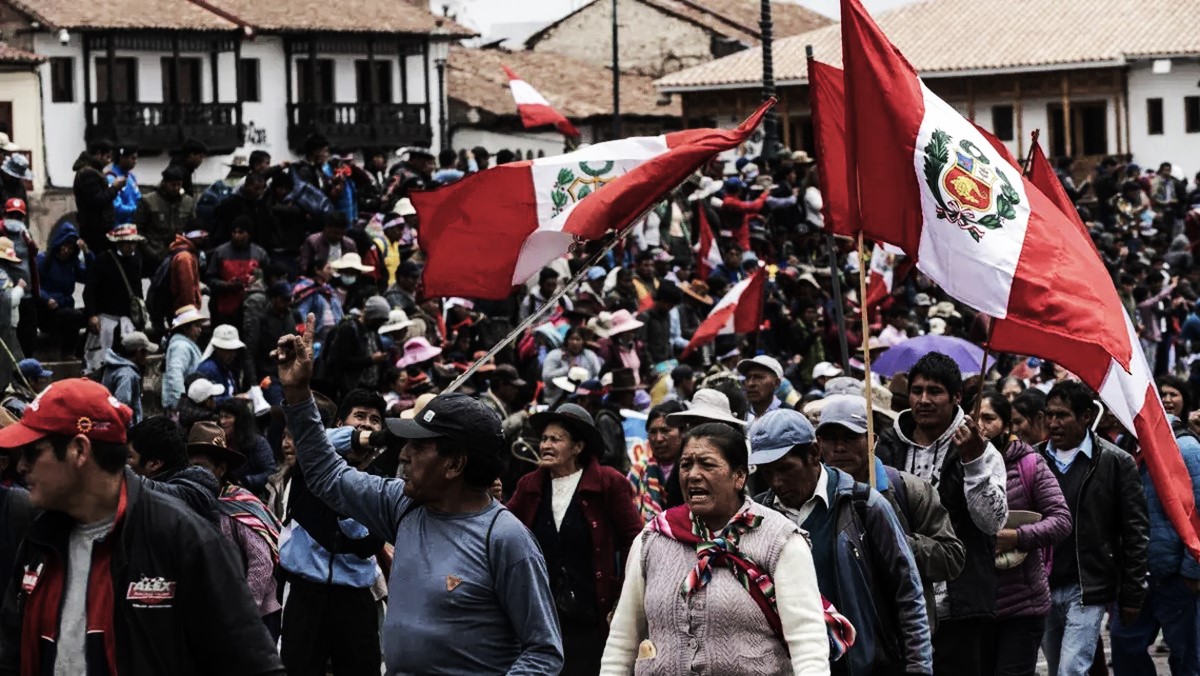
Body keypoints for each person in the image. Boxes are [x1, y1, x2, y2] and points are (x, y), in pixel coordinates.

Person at [276, 316, 565, 674]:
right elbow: (326, 474)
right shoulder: (403, 506)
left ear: (454, 463)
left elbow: (542, 652)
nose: (403, 454)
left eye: (418, 446)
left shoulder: (506, 541)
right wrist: (299, 394)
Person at [0, 378, 284, 674]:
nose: (21, 466)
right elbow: (10, 654)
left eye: (33, 452)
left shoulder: (182, 538)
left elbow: (255, 663)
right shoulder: (40, 538)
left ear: (80, 452)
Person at [601, 422, 831, 674]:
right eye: (686, 465)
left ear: (739, 476)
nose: (693, 475)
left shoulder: (779, 539)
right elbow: (622, 641)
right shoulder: (654, 538)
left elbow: (807, 640)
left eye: (707, 464)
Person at [750, 408, 932, 675]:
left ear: (813, 453)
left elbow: (907, 592)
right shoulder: (760, 518)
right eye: (767, 473)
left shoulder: (864, 506)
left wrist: (919, 667)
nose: (776, 481)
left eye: (785, 469)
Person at [874, 352, 1009, 676]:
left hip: (959, 608)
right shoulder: (885, 447)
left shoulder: (981, 449)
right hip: (899, 605)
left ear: (956, 396)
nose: (923, 400)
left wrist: (973, 463)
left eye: (934, 391)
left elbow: (992, 522)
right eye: (917, 390)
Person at [507, 404, 643, 675]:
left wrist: (621, 597)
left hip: (592, 618)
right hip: (541, 618)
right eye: (544, 438)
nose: (545, 445)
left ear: (578, 447)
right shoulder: (529, 486)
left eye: (556, 439)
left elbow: (634, 540)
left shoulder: (608, 483)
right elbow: (506, 535)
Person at [815, 394, 965, 631]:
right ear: (818, 445)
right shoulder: (810, 500)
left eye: (851, 438)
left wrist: (895, 542)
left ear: (872, 440)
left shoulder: (909, 490)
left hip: (903, 639)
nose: (839, 448)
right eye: (831, 439)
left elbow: (951, 558)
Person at [1038, 380, 1149, 676]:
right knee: (1055, 667)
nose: (1053, 423)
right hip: (1043, 585)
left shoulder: (1115, 462)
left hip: (1087, 587)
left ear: (1086, 417)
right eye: (1049, 415)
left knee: (1072, 669)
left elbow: (1134, 532)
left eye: (1062, 415)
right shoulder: (1034, 460)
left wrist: (1132, 593)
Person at [278, 388, 389, 676]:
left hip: (354, 597)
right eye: (359, 416)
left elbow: (367, 545)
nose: (366, 423)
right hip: (305, 593)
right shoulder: (310, 464)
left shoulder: (377, 482)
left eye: (375, 420)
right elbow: (314, 440)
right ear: (340, 423)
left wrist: (351, 497)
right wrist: (358, 438)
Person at [969, 389, 1072, 676]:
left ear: (1006, 424)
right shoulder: (955, 465)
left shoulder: (1029, 463)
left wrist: (1016, 537)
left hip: (1022, 606)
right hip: (974, 605)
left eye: (989, 418)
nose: (980, 425)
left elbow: (1062, 520)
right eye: (973, 418)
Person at [1110, 398, 1200, 675]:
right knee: (1125, 646)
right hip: (1135, 574)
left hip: (1176, 576)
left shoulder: (1185, 448)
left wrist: (1191, 571)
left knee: (1188, 656)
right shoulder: (1123, 445)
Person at [186, 420, 283, 639]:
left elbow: (261, 563)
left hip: (253, 613)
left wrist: (242, 610)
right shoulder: (187, 502)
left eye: (202, 468)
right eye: (190, 467)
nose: (194, 474)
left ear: (220, 469)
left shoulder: (240, 504)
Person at [82, 223, 144, 373]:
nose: (131, 247)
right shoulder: (103, 260)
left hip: (127, 322)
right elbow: (89, 290)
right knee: (99, 361)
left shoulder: (136, 261)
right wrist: (91, 315)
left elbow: (137, 290)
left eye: (133, 243)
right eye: (128, 243)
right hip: (106, 320)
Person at [316, 295, 390, 399]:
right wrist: (371, 360)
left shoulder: (372, 331)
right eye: (379, 320)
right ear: (371, 317)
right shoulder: (349, 329)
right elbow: (342, 361)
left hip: (369, 388)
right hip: (349, 389)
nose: (380, 324)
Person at [36, 221, 91, 358]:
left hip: (66, 309)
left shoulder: (72, 264)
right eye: (65, 246)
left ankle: (80, 349)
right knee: (74, 316)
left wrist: (87, 253)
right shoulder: (43, 260)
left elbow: (88, 276)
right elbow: (34, 284)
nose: (66, 251)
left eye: (71, 248)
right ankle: (67, 352)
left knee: (92, 315)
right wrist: (46, 298)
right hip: (48, 312)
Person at [628, 400, 688, 521]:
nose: (658, 439)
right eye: (653, 432)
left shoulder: (691, 470)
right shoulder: (638, 473)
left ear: (682, 432)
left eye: (665, 431)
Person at [206, 215, 270, 328]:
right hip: (225, 309)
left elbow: (268, 280)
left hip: (251, 308)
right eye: (234, 232)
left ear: (248, 234)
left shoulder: (259, 254)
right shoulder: (220, 252)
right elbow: (210, 279)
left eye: (240, 232)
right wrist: (226, 285)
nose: (236, 235)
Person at [138, 166, 197, 271]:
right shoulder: (148, 201)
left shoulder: (188, 202)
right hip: (153, 255)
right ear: (164, 183)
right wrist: (148, 249)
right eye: (172, 185)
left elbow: (192, 229)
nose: (176, 188)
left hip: (179, 254)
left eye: (179, 184)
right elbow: (138, 229)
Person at [217, 398, 276, 498]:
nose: (222, 421)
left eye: (227, 417)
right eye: (221, 417)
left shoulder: (258, 443)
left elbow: (271, 473)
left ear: (239, 420)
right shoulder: (219, 443)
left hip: (252, 497)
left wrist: (246, 482)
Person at [98, 330, 156, 424]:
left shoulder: (113, 367)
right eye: (145, 353)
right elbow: (122, 408)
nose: (147, 357)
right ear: (138, 352)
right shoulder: (127, 375)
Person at [71, 139, 117, 252]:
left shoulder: (94, 171)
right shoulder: (88, 173)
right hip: (95, 229)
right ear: (98, 154)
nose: (109, 161)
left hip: (97, 227)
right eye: (107, 156)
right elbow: (97, 200)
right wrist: (115, 188)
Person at [161, 305, 208, 414]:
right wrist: (182, 400)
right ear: (185, 328)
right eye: (196, 326)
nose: (200, 330)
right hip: (180, 406)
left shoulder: (186, 344)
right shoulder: (181, 346)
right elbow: (175, 373)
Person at [542, 327, 603, 402]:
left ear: (583, 342)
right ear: (567, 340)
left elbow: (598, 375)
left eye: (578, 340)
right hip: (556, 399)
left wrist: (587, 385)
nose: (575, 342)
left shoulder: (589, 356)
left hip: (584, 400)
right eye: (571, 339)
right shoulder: (555, 355)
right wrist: (567, 370)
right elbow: (546, 377)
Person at [196, 324, 247, 400]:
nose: (233, 355)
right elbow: (207, 401)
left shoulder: (226, 367)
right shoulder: (207, 370)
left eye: (234, 350)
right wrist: (234, 400)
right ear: (217, 349)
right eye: (228, 351)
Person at [739, 355, 785, 422]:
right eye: (748, 377)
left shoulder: (787, 416)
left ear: (776, 383)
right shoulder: (739, 414)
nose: (750, 384)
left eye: (759, 377)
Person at [106, 144, 140, 225]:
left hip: (134, 227)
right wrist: (137, 210)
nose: (135, 161)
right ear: (122, 158)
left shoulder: (131, 177)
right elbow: (117, 208)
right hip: (118, 229)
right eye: (133, 158)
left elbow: (139, 199)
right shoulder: (111, 178)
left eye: (136, 158)